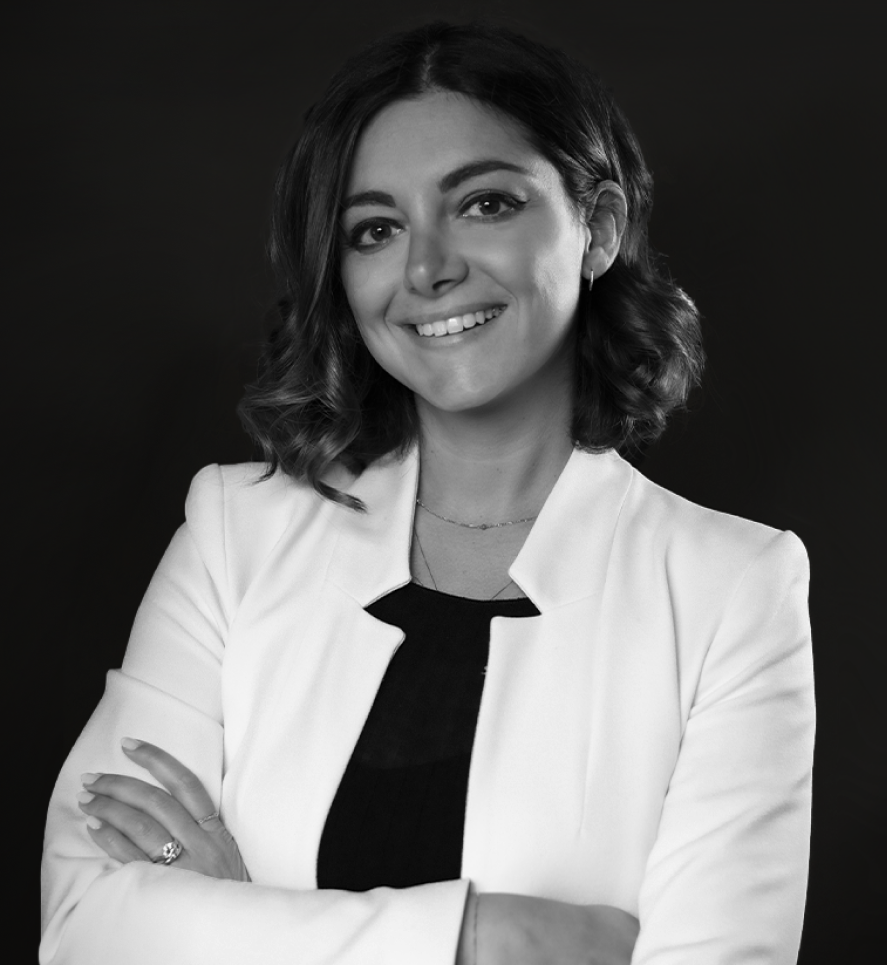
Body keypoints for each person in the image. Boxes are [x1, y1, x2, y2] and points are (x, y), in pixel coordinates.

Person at [40, 20, 815, 965]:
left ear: (600, 229)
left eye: (484, 204)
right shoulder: (234, 535)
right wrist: (487, 936)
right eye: (376, 229)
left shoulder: (730, 587)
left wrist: (233, 917)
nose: (426, 269)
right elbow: (83, 925)